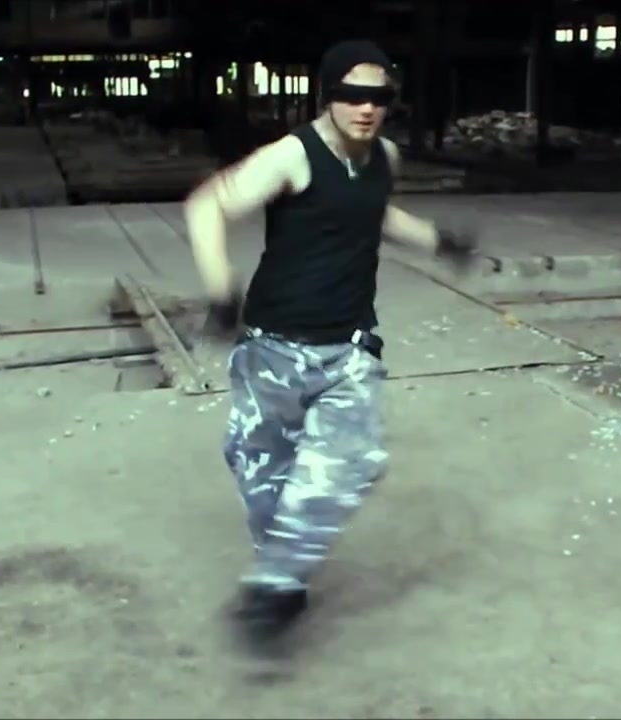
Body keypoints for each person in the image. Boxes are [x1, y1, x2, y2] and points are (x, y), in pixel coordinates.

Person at [183, 39, 479, 638]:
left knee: (351, 460)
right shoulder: (292, 156)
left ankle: (275, 583)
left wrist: (437, 241)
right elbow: (206, 205)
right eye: (351, 95)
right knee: (265, 474)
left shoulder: (384, 156)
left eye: (379, 98)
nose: (366, 109)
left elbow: (373, 211)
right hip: (274, 346)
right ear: (327, 95)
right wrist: (221, 290)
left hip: (349, 345)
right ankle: (282, 572)